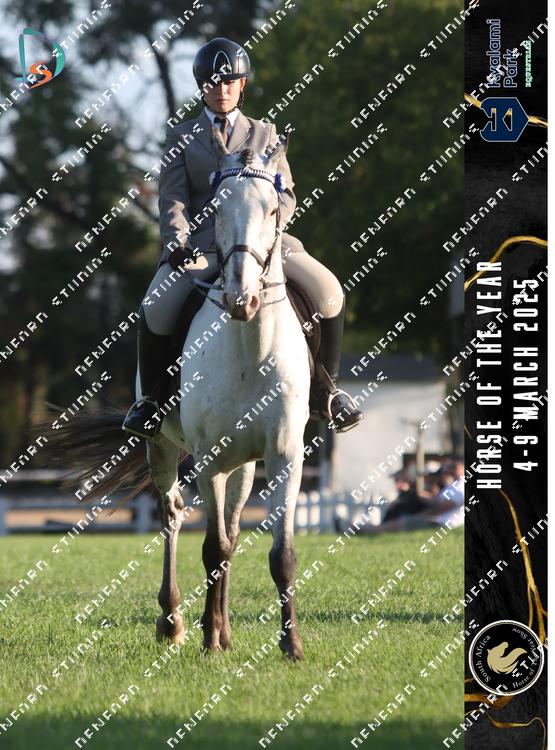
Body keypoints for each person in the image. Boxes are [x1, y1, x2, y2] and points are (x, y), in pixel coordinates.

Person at [122, 37, 363, 439]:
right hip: (202, 246)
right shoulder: (181, 136)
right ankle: (151, 402)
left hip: (262, 244)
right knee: (156, 307)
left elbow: (286, 195)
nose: (222, 90)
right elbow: (173, 199)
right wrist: (177, 242)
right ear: (201, 86)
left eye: (229, 82)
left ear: (242, 84)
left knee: (329, 290)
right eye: (213, 83)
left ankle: (328, 392)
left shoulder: (266, 133)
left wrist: (268, 230)